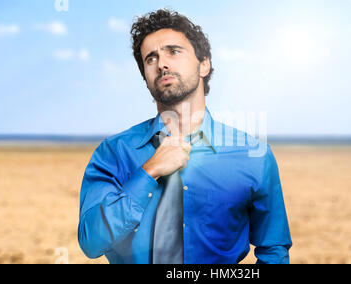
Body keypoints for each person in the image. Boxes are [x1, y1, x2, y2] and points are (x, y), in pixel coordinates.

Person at [78, 9, 292, 264]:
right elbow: (91, 242)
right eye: (151, 58)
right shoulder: (114, 152)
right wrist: (149, 172)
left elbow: (274, 250)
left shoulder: (253, 155)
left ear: (204, 64)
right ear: (145, 76)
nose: (162, 64)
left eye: (174, 51)